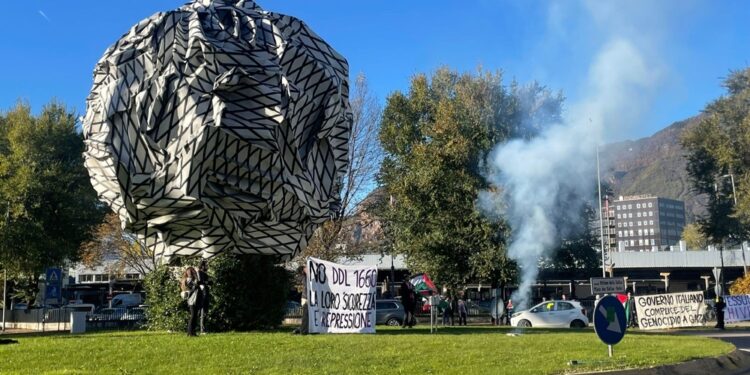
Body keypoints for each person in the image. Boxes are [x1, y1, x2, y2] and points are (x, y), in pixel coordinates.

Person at [180, 266, 200, 336]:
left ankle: (191, 332)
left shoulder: (186, 279)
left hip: (192, 299)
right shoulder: (189, 280)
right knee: (193, 316)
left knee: (193, 316)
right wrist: (197, 273)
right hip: (192, 299)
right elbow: (197, 283)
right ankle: (190, 332)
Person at [294, 265, 309, 334]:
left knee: (308, 315)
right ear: (303, 271)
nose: (307, 268)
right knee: (305, 315)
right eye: (305, 268)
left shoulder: (308, 276)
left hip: (310, 298)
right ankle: (302, 330)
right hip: (306, 298)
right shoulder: (303, 277)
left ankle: (303, 329)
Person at [197, 260, 210, 334]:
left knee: (204, 312)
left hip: (206, 293)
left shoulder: (204, 273)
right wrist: (207, 282)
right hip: (202, 294)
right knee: (201, 312)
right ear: (202, 265)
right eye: (206, 265)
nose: (207, 266)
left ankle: (203, 329)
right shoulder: (199, 272)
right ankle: (202, 329)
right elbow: (200, 282)